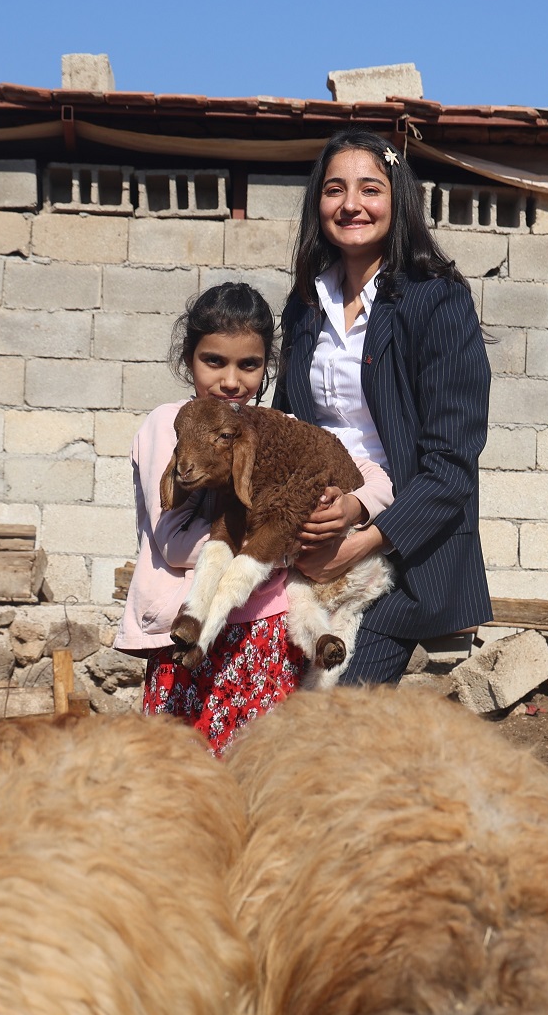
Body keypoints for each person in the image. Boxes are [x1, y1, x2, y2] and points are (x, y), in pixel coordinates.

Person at [116, 281, 393, 754]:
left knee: (263, 770)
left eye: (249, 365)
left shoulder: (268, 427)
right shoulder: (171, 423)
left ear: (267, 367)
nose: (231, 381)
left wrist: (352, 506)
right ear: (188, 360)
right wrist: (278, 548)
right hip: (191, 635)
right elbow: (173, 542)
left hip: (266, 633)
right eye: (214, 361)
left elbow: (376, 478)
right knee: (183, 776)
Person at [275, 128, 493, 684]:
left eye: (370, 189)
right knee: (265, 711)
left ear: (398, 200)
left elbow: (450, 467)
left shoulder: (436, 300)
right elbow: (286, 429)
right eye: (334, 190)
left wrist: (356, 542)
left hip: (402, 553)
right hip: (307, 538)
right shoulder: (305, 306)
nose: (351, 205)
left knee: (337, 714)